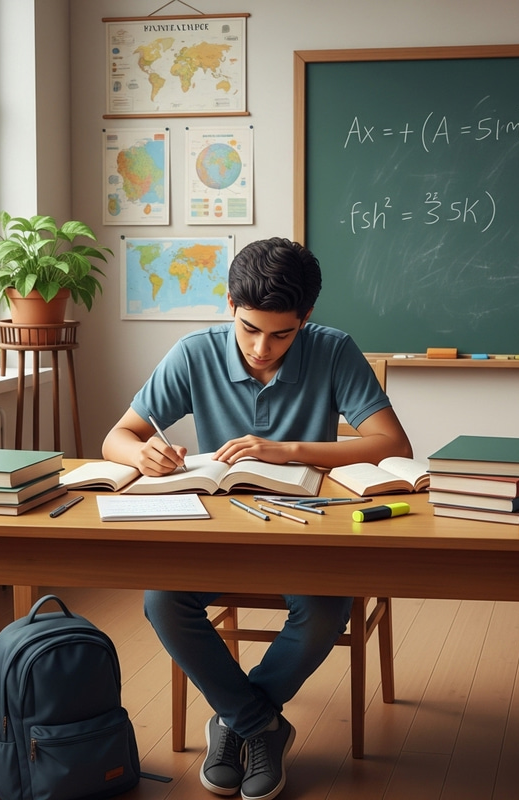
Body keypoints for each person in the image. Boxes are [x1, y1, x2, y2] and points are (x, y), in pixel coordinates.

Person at [102, 237, 412, 800]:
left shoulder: (333, 349)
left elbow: (391, 443)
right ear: (229, 305)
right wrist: (142, 453)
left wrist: (285, 450)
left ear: (305, 318)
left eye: (281, 335)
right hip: (219, 532)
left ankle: (236, 720)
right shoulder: (194, 353)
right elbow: (117, 437)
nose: (261, 348)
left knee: (326, 609)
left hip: (307, 531)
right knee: (162, 600)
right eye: (248, 329)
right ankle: (259, 723)